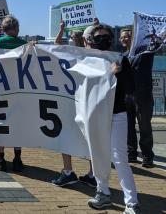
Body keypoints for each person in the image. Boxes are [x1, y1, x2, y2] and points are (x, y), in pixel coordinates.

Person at [86, 24, 140, 213]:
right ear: (92, 40)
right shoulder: (87, 59)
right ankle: (103, 192)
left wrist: (118, 73)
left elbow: (129, 87)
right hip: (95, 114)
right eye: (98, 36)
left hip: (117, 114)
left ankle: (131, 201)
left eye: (106, 36)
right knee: (98, 154)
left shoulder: (120, 60)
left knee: (120, 158)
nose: (102, 39)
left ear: (111, 39)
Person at [51, 21, 95, 187]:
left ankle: (69, 171)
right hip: (81, 101)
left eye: (73, 37)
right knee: (87, 137)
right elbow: (55, 46)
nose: (72, 40)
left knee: (69, 135)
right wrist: (61, 30)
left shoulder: (84, 54)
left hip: (73, 100)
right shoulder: (87, 55)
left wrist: (61, 30)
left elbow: (55, 46)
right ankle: (91, 173)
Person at [0, 15, 27, 172]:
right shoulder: (24, 44)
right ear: (16, 28)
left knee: (0, 123)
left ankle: (0, 157)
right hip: (19, 88)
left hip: (0, 88)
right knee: (17, 123)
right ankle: (17, 157)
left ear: (3, 29)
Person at [120, 28, 155, 168]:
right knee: (128, 127)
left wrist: (153, 37)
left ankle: (147, 156)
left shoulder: (145, 51)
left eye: (127, 36)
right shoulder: (123, 55)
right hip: (127, 95)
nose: (124, 39)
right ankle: (131, 154)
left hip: (143, 94)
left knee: (144, 125)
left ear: (134, 38)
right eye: (122, 37)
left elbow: (154, 45)